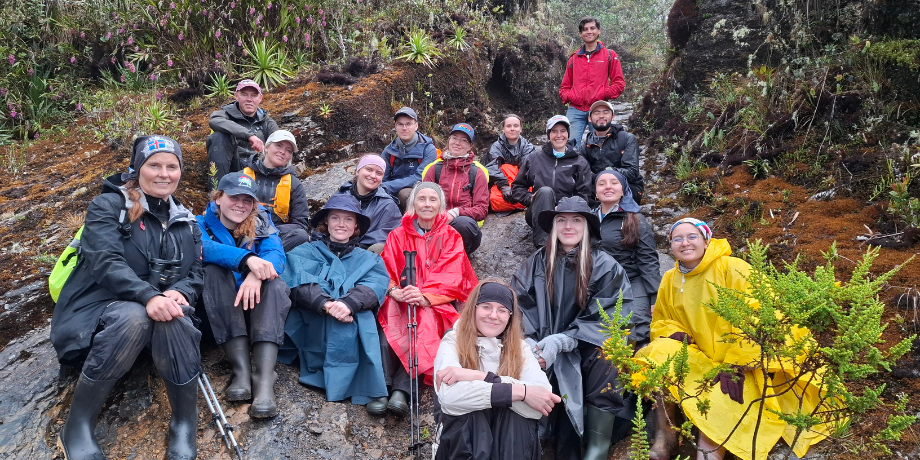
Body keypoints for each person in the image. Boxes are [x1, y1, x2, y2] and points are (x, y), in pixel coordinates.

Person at [51, 135, 203, 460]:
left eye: (172, 166)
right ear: (137, 169)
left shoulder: (187, 222)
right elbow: (105, 261)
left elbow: (196, 274)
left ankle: (184, 422)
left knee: (174, 313)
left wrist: (178, 292)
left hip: (153, 327)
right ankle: (77, 425)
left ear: (180, 171)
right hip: (95, 316)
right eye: (155, 165)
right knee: (135, 315)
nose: (164, 173)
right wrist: (149, 296)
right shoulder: (107, 206)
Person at [639, 219, 833, 460]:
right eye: (677, 239)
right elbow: (661, 319)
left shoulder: (732, 267)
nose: (685, 243)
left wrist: (737, 363)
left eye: (692, 237)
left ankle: (708, 455)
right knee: (658, 352)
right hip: (700, 357)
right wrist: (673, 331)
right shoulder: (671, 277)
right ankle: (666, 437)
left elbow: (763, 313)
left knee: (721, 395)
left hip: (742, 360)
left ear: (706, 240)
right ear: (670, 246)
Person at [511, 196, 643, 460]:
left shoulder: (606, 265)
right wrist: (527, 342)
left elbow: (613, 318)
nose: (568, 226)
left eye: (576, 220)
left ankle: (597, 448)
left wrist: (565, 340)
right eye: (561, 220)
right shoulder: (537, 261)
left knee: (609, 357)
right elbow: (518, 304)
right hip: (542, 346)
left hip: (584, 348)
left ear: (587, 227)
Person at [279, 194, 390, 414]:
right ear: (326, 223)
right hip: (314, 317)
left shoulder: (369, 259)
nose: (341, 224)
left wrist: (349, 303)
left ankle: (368, 385)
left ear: (356, 226)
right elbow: (296, 282)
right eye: (335, 218)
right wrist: (326, 304)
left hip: (350, 316)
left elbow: (376, 284)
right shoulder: (304, 251)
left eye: (348, 220)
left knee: (363, 319)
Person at [377, 182, 478, 414]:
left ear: (440, 205)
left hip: (434, 300)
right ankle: (382, 387)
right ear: (413, 203)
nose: (427, 204)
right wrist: (395, 291)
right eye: (421, 199)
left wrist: (424, 296)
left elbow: (453, 274)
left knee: (421, 326)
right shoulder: (397, 235)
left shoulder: (451, 236)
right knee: (388, 327)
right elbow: (385, 269)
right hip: (401, 296)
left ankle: (402, 390)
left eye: (433, 200)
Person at [433, 279, 562, 460]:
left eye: (502, 310)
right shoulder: (453, 341)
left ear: (510, 317)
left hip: (508, 442)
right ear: (474, 309)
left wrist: (480, 376)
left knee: (516, 419)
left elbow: (543, 401)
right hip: (464, 443)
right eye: (486, 307)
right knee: (472, 412)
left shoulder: (520, 348)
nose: (494, 315)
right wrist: (522, 392)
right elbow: (450, 397)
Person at [197, 172, 291, 419]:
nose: (240, 204)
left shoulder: (261, 223)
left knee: (275, 284)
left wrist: (257, 273)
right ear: (218, 198)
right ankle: (240, 369)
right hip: (219, 310)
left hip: (255, 307)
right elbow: (202, 248)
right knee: (213, 271)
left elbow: (276, 254)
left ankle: (264, 378)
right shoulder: (199, 222)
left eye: (247, 200)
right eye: (233, 197)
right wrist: (247, 260)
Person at [593, 170, 658, 344]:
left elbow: (648, 259)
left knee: (635, 326)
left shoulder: (635, 219)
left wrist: (655, 296)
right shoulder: (587, 219)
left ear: (623, 190)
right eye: (602, 183)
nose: (608, 186)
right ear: (595, 192)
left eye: (614, 182)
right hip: (597, 284)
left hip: (631, 281)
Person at [509, 115, 593, 247]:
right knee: (545, 191)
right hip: (539, 215)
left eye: (562, 131)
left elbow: (584, 195)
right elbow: (517, 188)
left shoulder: (580, 162)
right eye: (554, 131)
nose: (559, 135)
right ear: (549, 135)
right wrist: (530, 198)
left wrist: (565, 207)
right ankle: (543, 247)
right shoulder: (534, 158)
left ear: (568, 134)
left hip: (567, 215)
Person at [421, 123, 489, 255]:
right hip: (435, 224)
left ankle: (458, 259)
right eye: (454, 138)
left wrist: (456, 212)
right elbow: (420, 201)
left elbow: (482, 209)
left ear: (470, 146)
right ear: (449, 140)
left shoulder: (477, 172)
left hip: (462, 227)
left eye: (464, 140)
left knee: (463, 224)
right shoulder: (434, 168)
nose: (458, 142)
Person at [559, 17, 625, 147]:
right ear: (580, 34)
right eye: (585, 29)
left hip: (598, 108)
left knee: (601, 146)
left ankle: (598, 168)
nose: (589, 32)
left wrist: (602, 94)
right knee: (569, 147)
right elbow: (565, 86)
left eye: (592, 28)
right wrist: (570, 96)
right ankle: (575, 168)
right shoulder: (574, 58)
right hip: (575, 109)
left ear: (598, 31)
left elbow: (619, 83)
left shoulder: (609, 55)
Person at [241, 129, 310, 251]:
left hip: (275, 235)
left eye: (288, 150)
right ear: (266, 147)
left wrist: (268, 230)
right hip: (242, 229)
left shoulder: (294, 184)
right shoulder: (242, 176)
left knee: (301, 236)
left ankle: (263, 256)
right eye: (278, 145)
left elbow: (300, 223)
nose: (283, 152)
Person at [207, 79, 279, 191]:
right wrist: (249, 136)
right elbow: (214, 121)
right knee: (218, 137)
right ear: (236, 96)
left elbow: (280, 144)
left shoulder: (268, 123)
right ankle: (217, 194)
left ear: (260, 98)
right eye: (244, 94)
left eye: (254, 95)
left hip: (258, 170)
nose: (249, 99)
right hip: (233, 168)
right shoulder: (224, 114)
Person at [331, 154, 402, 254]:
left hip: (365, 254)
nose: (373, 176)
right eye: (369, 169)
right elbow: (321, 228)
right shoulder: (340, 195)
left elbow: (386, 236)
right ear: (357, 171)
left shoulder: (388, 205)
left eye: (379, 173)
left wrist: (351, 246)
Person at [580, 101, 644, 203]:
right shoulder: (585, 145)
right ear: (589, 119)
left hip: (628, 187)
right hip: (598, 188)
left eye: (606, 112)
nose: (601, 116)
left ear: (613, 117)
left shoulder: (627, 139)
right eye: (596, 113)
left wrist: (608, 172)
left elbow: (632, 172)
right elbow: (582, 174)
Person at [380, 107, 438, 210]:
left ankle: (413, 224)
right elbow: (382, 176)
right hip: (392, 187)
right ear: (395, 126)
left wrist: (387, 186)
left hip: (420, 189)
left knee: (404, 194)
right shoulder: (389, 150)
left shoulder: (428, 149)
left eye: (408, 124)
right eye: (400, 124)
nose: (404, 128)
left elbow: (419, 177)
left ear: (416, 126)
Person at [483, 114, 536, 213]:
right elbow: (492, 167)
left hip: (521, 183)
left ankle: (522, 201)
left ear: (521, 129)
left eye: (516, 126)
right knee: (494, 200)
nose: (512, 129)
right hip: (501, 183)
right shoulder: (496, 147)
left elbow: (528, 169)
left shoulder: (528, 147)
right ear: (503, 129)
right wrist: (504, 186)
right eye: (508, 126)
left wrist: (518, 189)